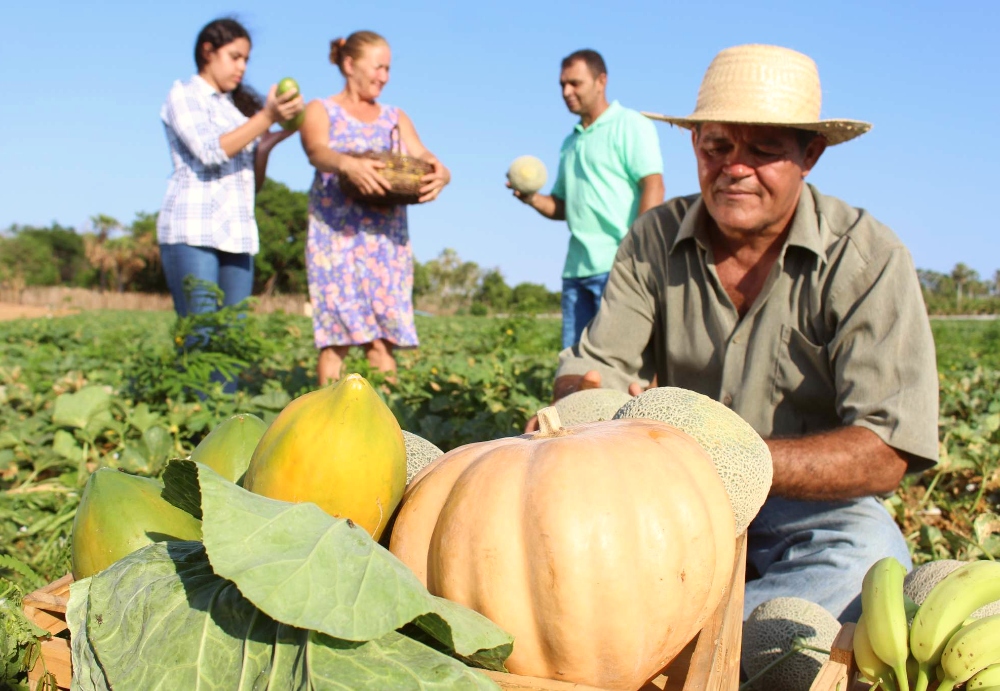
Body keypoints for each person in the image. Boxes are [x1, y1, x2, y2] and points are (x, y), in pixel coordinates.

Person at [532, 44, 939, 624]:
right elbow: (598, 366)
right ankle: (682, 632)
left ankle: (663, 635)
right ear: (695, 145)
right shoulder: (653, 239)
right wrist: (575, 404)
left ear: (811, 154)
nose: (734, 167)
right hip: (666, 492)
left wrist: (730, 458)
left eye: (764, 150)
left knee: (867, 561)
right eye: (716, 145)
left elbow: (885, 451)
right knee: (537, 540)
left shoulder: (867, 258)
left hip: (807, 504)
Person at [299, 30, 450, 386]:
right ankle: (327, 422)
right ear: (349, 65)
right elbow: (315, 150)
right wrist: (347, 164)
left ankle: (391, 426)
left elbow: (423, 154)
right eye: (378, 67)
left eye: (388, 69)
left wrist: (442, 172)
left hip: (385, 240)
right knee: (336, 338)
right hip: (335, 236)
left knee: (382, 339)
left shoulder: (394, 117)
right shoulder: (322, 109)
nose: (384, 76)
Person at [510, 49, 665, 349]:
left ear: (601, 81)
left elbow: (654, 186)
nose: (566, 92)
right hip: (576, 271)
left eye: (575, 83)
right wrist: (530, 198)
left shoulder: (630, 125)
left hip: (619, 268)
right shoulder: (570, 142)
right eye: (562, 85)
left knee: (622, 362)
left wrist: (638, 250)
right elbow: (561, 207)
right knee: (576, 368)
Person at [158, 18, 305, 321]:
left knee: (233, 340)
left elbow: (254, 183)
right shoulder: (184, 94)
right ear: (208, 51)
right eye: (235, 57)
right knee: (200, 335)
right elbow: (210, 152)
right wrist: (267, 117)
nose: (242, 67)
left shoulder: (237, 111)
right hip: (193, 230)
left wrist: (269, 141)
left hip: (237, 233)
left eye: (246, 60)